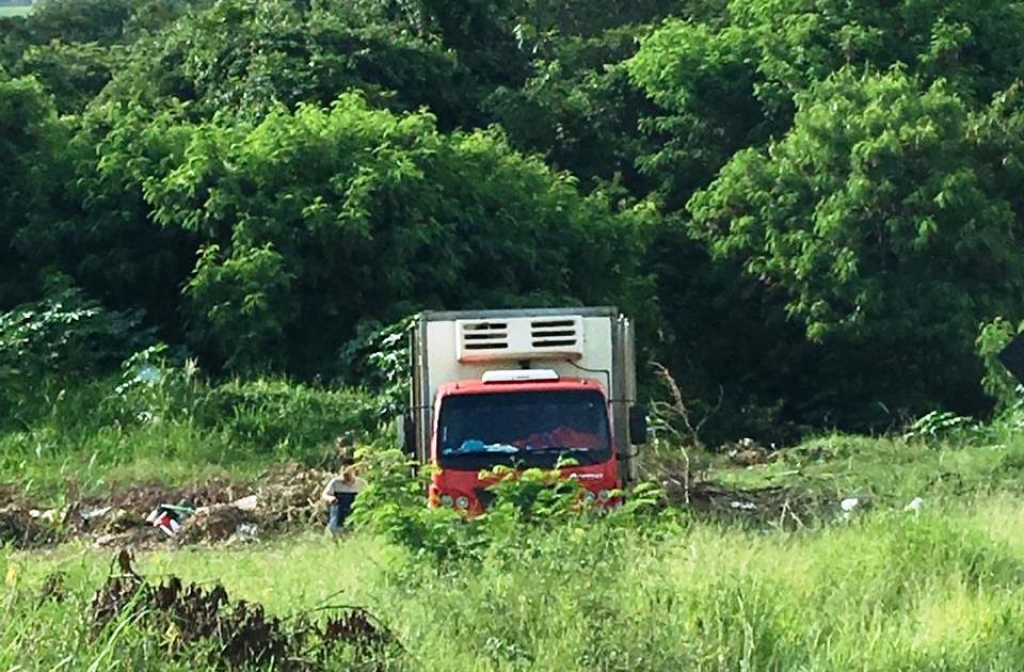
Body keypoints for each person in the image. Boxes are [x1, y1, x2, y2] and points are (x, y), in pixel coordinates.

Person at [321, 457, 367, 537]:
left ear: (354, 470)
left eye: (348, 473)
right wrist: (331, 498)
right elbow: (324, 495)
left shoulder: (361, 484)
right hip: (338, 517)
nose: (346, 476)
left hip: (355, 518)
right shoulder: (335, 482)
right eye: (344, 474)